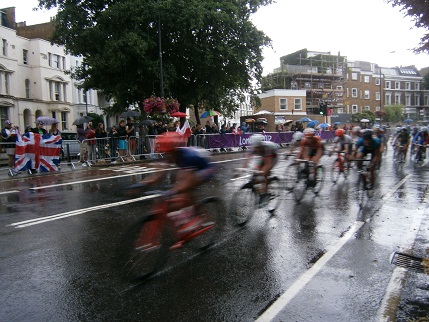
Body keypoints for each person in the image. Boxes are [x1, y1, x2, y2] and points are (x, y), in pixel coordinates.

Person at [131, 132, 215, 240]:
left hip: (206, 167)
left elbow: (187, 181)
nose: (166, 155)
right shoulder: (172, 154)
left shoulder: (186, 156)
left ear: (175, 150)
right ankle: (186, 214)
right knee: (178, 191)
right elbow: (158, 175)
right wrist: (142, 184)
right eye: (165, 153)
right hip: (192, 166)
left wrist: (174, 191)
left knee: (185, 189)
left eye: (168, 153)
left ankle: (196, 218)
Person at [241, 134, 279, 204]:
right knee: (257, 172)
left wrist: (262, 172)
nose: (256, 149)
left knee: (264, 174)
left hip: (273, 156)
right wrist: (242, 170)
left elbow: (268, 163)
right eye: (255, 147)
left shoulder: (267, 148)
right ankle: (264, 186)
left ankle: (265, 194)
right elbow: (247, 160)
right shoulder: (254, 148)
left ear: (261, 145)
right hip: (264, 157)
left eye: (257, 147)